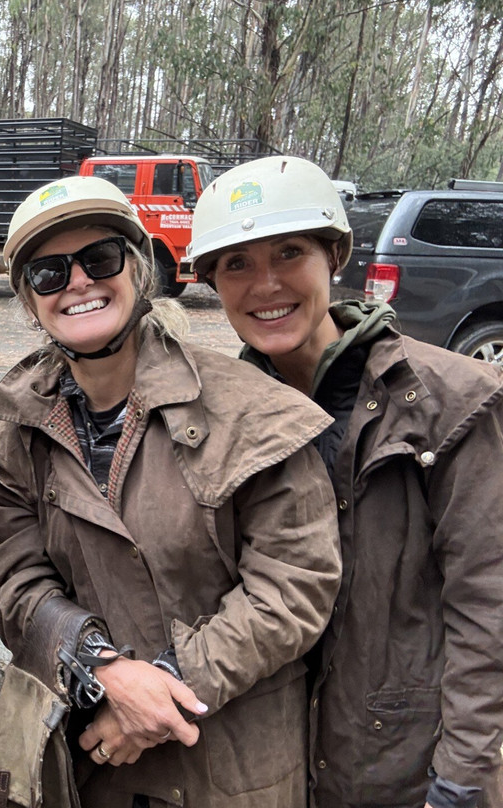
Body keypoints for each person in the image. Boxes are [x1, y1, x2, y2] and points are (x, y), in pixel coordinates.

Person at [0, 175, 342, 808]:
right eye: (49, 274)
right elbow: (14, 577)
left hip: (232, 764)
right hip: (95, 766)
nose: (78, 282)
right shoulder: (13, 428)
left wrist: (164, 687)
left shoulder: (255, 413)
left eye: (99, 259)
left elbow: (294, 586)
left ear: (138, 271)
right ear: (29, 302)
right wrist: (101, 667)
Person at [188, 155, 503, 808]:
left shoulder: (452, 404)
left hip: (400, 770)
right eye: (237, 264)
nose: (265, 284)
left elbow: (488, 610)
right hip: (264, 769)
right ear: (212, 281)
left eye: (289, 252)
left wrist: (461, 784)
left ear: (333, 256)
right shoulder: (208, 418)